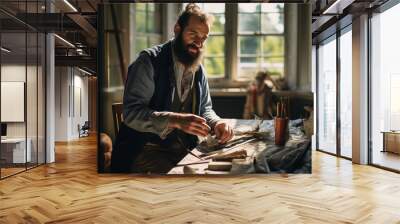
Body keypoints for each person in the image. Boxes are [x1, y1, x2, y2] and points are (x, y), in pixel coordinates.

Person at [111, 4, 234, 173]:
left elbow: (205, 109)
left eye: (204, 38)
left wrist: (217, 122)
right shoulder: (148, 62)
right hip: (145, 150)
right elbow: (131, 113)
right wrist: (174, 119)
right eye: (193, 34)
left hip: (183, 150)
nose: (198, 43)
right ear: (177, 29)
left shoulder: (198, 69)